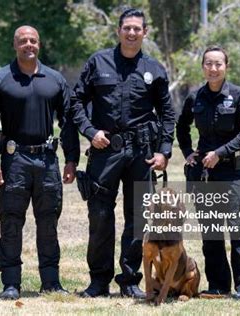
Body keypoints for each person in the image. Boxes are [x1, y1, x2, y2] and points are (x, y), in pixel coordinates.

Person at [70, 8, 175, 298]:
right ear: (118, 31)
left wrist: (164, 151)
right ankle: (98, 282)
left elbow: (167, 113)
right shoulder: (98, 62)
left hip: (142, 152)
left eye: (136, 29)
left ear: (145, 33)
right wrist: (91, 132)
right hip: (105, 151)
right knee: (100, 215)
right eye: (126, 28)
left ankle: (129, 281)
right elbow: (76, 102)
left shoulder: (154, 69)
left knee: (137, 218)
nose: (131, 33)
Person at [0, 25, 80, 300]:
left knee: (49, 222)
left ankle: (51, 281)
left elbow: (69, 121)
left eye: (33, 40)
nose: (28, 45)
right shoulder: (0, 79)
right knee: (11, 222)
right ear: (15, 45)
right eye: (23, 41)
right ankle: (11, 282)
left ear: (39, 44)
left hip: (47, 160)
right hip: (14, 161)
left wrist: (71, 159)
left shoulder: (55, 80)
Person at [176, 46, 240, 300]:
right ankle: (218, 285)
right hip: (205, 175)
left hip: (233, 173)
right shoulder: (195, 97)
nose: (213, 68)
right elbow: (181, 127)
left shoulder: (239, 96)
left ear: (226, 67)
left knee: (239, 231)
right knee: (211, 231)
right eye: (208, 64)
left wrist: (220, 153)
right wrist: (189, 151)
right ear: (203, 67)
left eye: (218, 64)